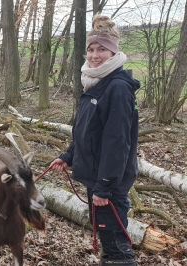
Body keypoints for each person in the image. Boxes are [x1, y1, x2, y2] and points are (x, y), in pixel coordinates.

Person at [49, 14, 139, 266]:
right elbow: (85, 131)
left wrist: (105, 187)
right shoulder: (94, 84)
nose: (95, 55)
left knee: (116, 246)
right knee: (107, 240)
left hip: (108, 182)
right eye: (91, 49)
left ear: (113, 53)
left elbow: (117, 142)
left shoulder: (118, 88)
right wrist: (68, 156)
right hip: (96, 176)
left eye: (102, 50)